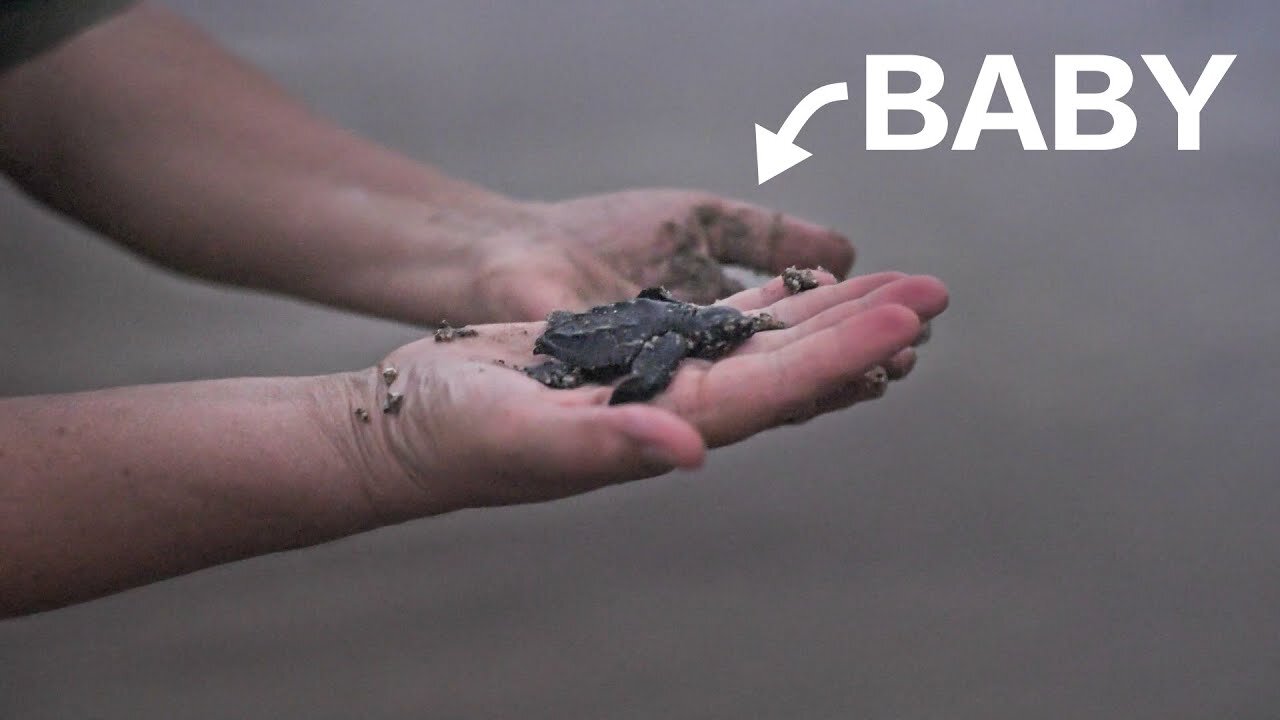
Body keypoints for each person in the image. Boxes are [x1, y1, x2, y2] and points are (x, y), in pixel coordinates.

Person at [0, 2, 948, 617]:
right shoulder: (663, 335)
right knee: (651, 343)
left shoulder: (668, 321)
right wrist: (367, 441)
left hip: (600, 336)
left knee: (657, 332)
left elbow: (45, 45)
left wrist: (490, 241)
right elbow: (650, 352)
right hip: (594, 345)